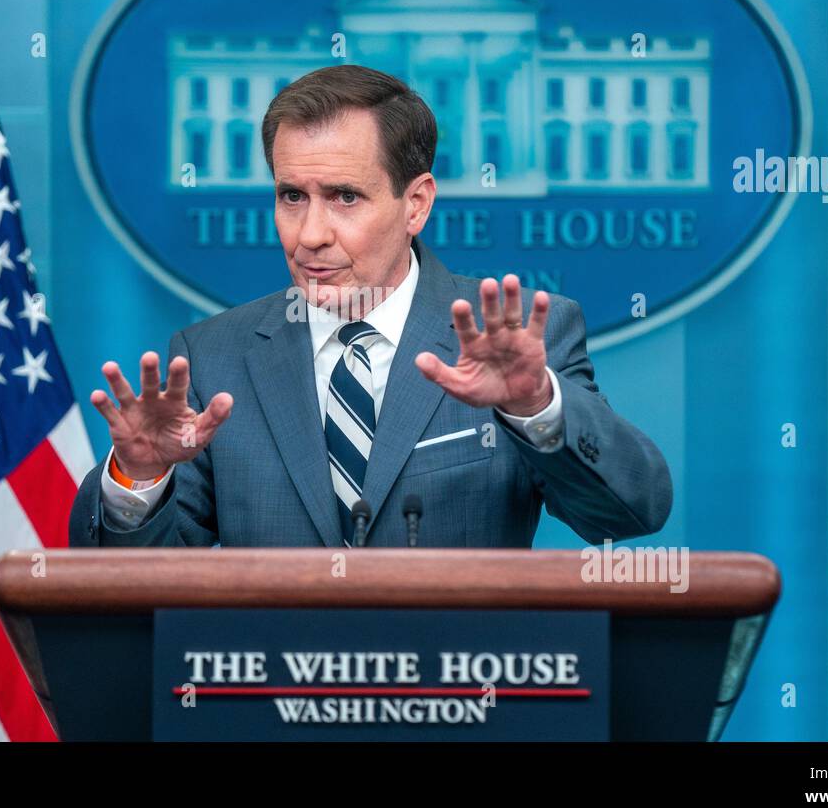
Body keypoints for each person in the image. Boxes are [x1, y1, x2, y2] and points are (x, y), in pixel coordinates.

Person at [68, 65, 671, 548]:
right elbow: (143, 598)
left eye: (345, 198)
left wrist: (535, 406)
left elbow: (631, 511)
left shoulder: (508, 339)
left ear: (416, 205)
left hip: (464, 694)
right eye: (291, 196)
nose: (310, 234)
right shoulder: (211, 359)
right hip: (269, 696)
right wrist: (141, 480)